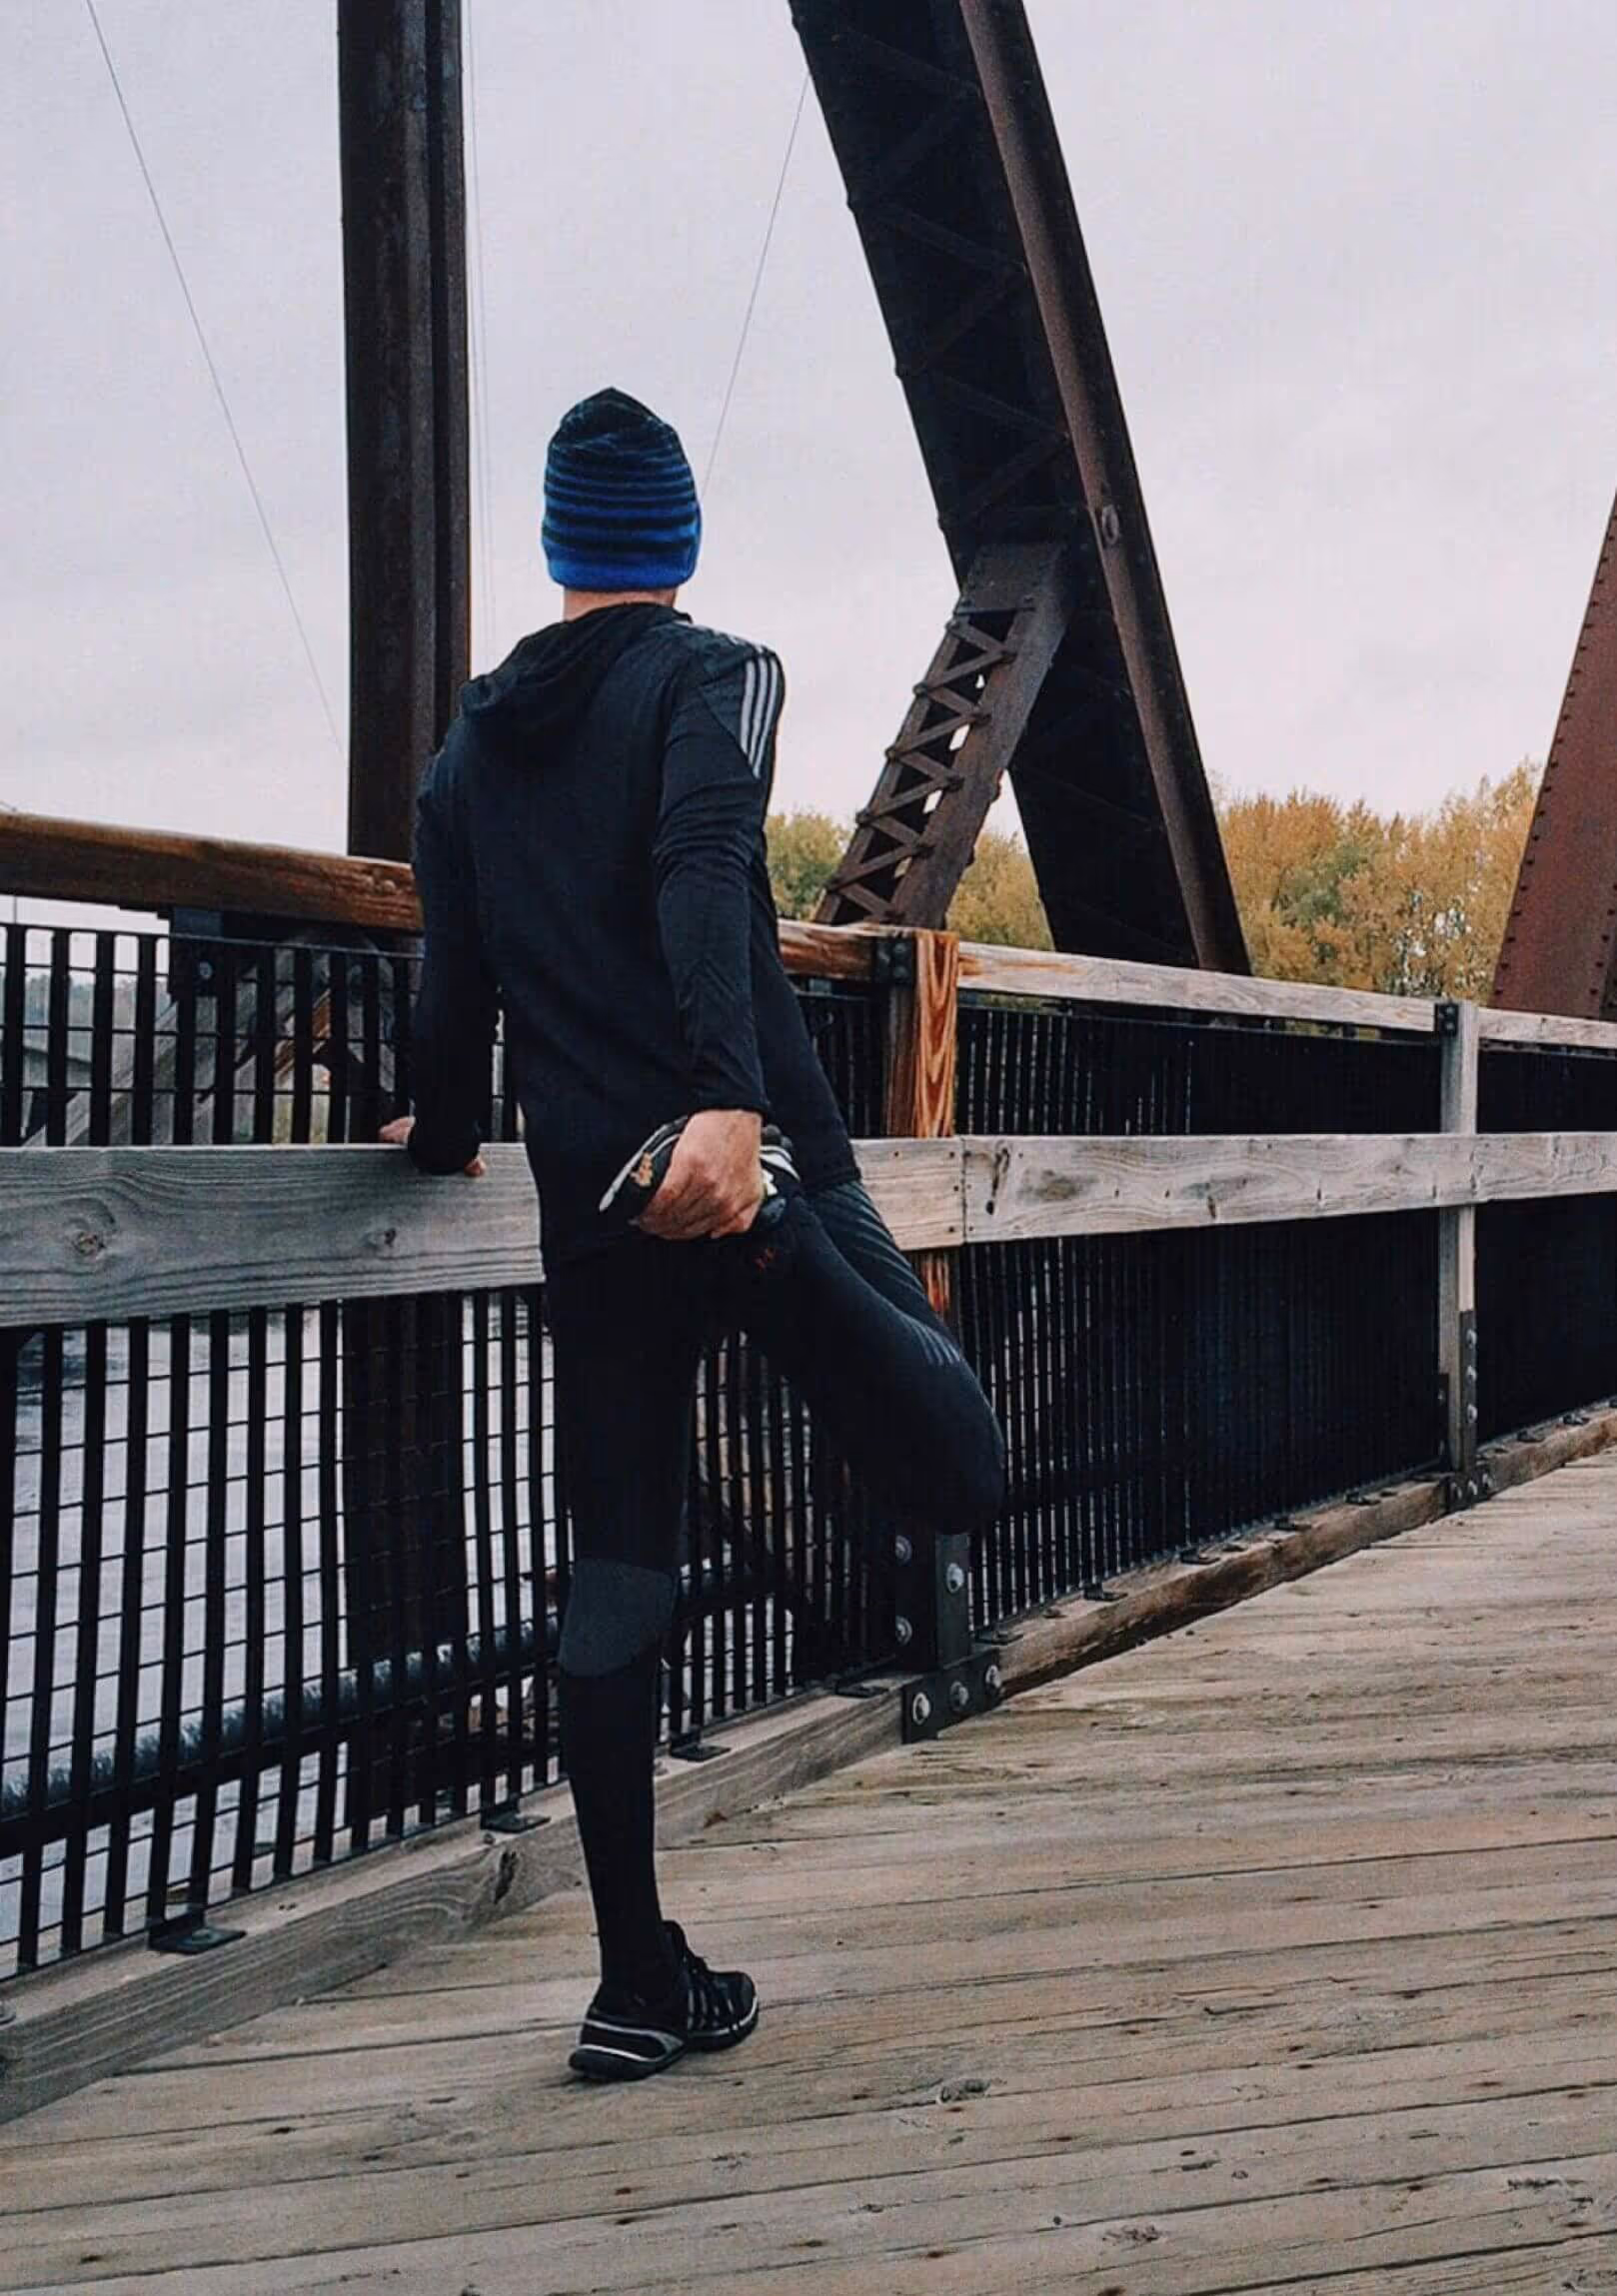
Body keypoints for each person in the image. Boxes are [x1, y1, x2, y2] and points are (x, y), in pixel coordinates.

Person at [385, 388, 1006, 2082]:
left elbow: (454, 1009)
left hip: (592, 1211)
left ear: (554, 546)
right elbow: (699, 862)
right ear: (675, 539)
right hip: (746, 1173)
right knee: (956, 1462)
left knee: (619, 1568)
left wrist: (434, 1133)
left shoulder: (458, 758)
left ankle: (633, 1978)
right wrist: (737, 1120)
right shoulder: (714, 677)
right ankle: (773, 1252)